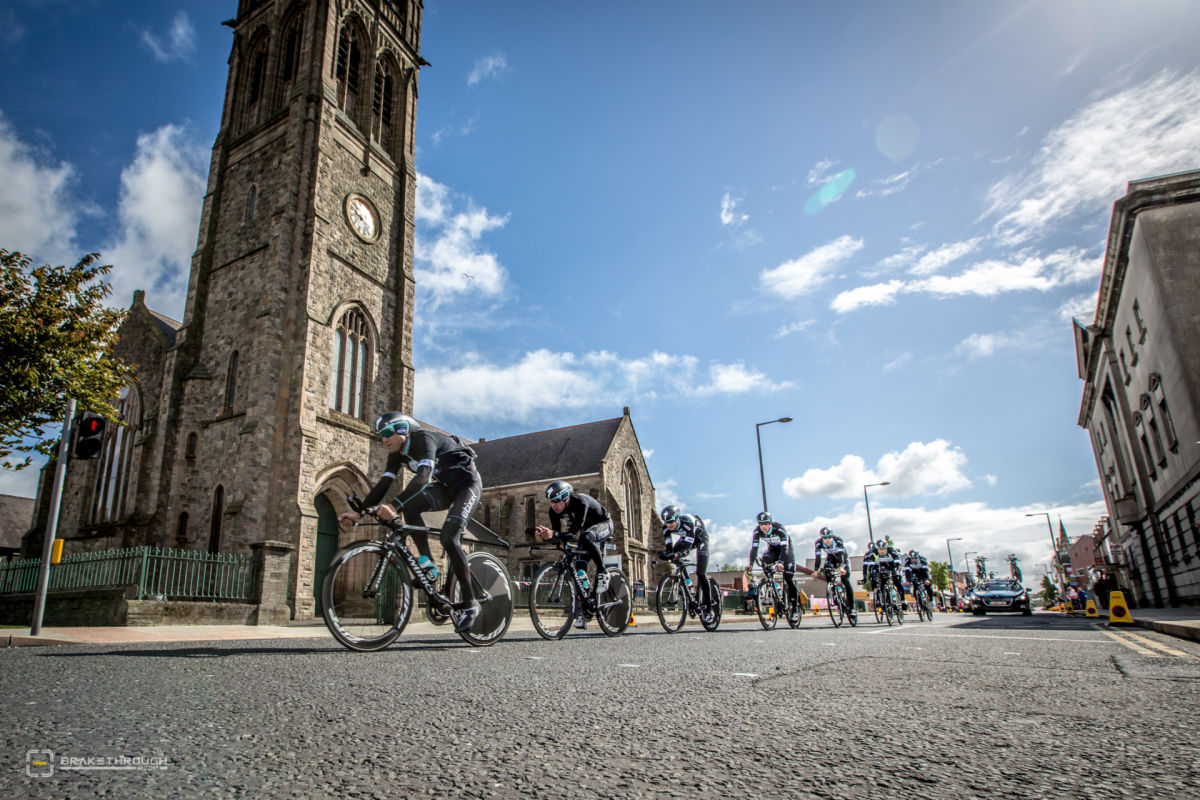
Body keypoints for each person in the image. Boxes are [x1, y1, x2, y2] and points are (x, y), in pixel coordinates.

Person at [337, 412, 482, 633]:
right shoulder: (396, 454)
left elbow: (423, 477)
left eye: (388, 433)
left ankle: (471, 604)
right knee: (411, 506)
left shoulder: (423, 439)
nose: (384, 439)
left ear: (403, 430)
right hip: (445, 489)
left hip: (467, 486)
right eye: (381, 435)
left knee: (448, 538)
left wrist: (394, 506)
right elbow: (383, 485)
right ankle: (428, 563)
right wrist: (359, 513)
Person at [533, 480, 613, 629]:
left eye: (557, 500)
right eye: (551, 501)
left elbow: (571, 534)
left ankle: (603, 571)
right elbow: (559, 537)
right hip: (585, 532)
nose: (554, 505)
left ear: (566, 497)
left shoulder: (580, 502)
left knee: (587, 537)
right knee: (580, 572)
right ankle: (586, 608)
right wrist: (546, 537)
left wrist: (554, 534)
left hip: (604, 524)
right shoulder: (553, 512)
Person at [658, 505, 715, 618]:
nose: (669, 525)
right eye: (666, 522)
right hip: (686, 538)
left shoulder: (687, 523)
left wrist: (676, 554)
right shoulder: (666, 527)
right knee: (674, 556)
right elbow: (669, 547)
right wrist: (666, 554)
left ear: (677, 518)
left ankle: (709, 608)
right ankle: (689, 586)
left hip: (700, 539)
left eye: (671, 522)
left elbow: (686, 548)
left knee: (701, 573)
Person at [746, 511, 799, 612]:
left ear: (770, 523)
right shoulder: (757, 531)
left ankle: (795, 608)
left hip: (786, 550)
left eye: (766, 523)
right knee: (765, 560)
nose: (763, 526)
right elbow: (754, 548)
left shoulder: (779, 529)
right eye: (761, 524)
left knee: (788, 578)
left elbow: (785, 548)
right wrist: (751, 564)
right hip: (773, 549)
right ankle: (773, 587)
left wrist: (781, 562)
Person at [812, 527, 857, 622]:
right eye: (824, 538)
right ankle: (835, 592)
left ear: (832, 536)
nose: (827, 539)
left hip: (842, 558)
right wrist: (816, 570)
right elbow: (818, 557)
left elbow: (841, 555)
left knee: (845, 580)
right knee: (827, 572)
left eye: (829, 537)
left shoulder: (838, 540)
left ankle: (852, 608)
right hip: (831, 558)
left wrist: (841, 567)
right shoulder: (818, 543)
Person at [862, 539, 905, 610]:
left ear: (887, 548)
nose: (882, 551)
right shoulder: (873, 553)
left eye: (884, 549)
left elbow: (897, 563)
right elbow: (870, 566)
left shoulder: (892, 551)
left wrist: (897, 572)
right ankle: (884, 600)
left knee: (896, 580)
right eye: (880, 549)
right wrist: (869, 575)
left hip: (891, 565)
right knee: (879, 580)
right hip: (880, 566)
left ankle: (903, 600)